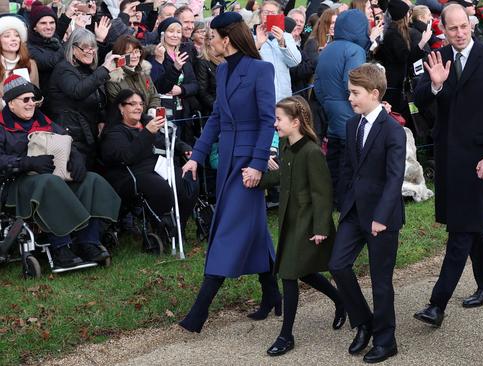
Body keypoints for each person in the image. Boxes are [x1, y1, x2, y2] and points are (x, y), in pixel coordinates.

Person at [178, 12, 280, 333]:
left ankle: (199, 312)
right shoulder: (222, 72)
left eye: (214, 36)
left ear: (228, 38)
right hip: (227, 163)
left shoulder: (261, 69)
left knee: (226, 232)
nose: (210, 41)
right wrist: (197, 156)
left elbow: (267, 121)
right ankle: (273, 295)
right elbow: (217, 119)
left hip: (249, 163)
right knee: (254, 229)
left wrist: (258, 164)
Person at [413, 4, 483, 327]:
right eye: (452, 28)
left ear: (470, 26)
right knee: (469, 225)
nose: (459, 33)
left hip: (479, 161)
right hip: (446, 158)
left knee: (460, 232)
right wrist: (436, 85)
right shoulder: (436, 57)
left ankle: (437, 304)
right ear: (442, 28)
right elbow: (415, 100)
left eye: (463, 27)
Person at [328, 63, 406, 364]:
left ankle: (386, 341)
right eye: (349, 92)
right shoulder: (352, 124)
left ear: (374, 94)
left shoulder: (393, 131)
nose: (350, 98)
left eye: (355, 93)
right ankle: (363, 322)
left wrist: (381, 217)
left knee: (380, 280)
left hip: (382, 217)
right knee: (337, 264)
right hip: (354, 211)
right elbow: (348, 168)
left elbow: (394, 178)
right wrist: (344, 202)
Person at [0, 75, 120, 269]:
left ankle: (88, 242)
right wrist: (27, 163)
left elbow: (64, 139)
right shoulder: (2, 126)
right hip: (16, 182)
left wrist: (76, 157)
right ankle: (60, 246)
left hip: (52, 175)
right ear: (11, 103)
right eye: (26, 99)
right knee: (49, 183)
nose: (32, 104)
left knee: (91, 180)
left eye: (34, 99)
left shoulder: (42, 119)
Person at [258, 96, 345, 356]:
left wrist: (321, 228)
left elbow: (322, 193)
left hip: (307, 221)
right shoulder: (286, 147)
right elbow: (282, 176)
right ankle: (341, 301)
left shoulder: (311, 151)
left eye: (279, 119)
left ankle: (286, 336)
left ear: (295, 121)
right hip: (290, 219)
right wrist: (257, 179)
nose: (275, 124)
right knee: (302, 272)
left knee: (288, 274)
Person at [100, 89, 196, 250]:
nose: (138, 107)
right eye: (133, 104)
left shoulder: (147, 121)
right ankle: (162, 229)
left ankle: (179, 228)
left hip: (157, 167)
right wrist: (146, 133)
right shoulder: (114, 132)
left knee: (187, 180)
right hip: (131, 174)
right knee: (161, 188)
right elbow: (126, 157)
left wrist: (184, 147)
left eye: (141, 104)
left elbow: (168, 138)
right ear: (121, 108)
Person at [313, 9, 369, 208]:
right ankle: (346, 200)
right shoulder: (355, 50)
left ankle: (332, 197)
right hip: (348, 113)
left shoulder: (328, 48)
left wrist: (328, 102)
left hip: (330, 109)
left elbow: (317, 83)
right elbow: (353, 83)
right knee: (348, 159)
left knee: (333, 158)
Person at [47, 28, 121, 167]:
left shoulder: (89, 69)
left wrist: (101, 119)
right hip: (71, 135)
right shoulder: (64, 69)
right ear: (73, 49)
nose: (90, 51)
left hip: (88, 133)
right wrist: (104, 69)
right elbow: (78, 91)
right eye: (84, 47)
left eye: (92, 47)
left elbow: (98, 99)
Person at [377, 0, 431, 125]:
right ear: (404, 15)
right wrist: (422, 43)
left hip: (396, 84)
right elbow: (404, 59)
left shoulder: (395, 32)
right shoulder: (393, 34)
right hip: (393, 87)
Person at [255, 0, 302, 102]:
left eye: (273, 13)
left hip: (284, 98)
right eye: (266, 13)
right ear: (260, 15)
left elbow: (295, 62)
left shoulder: (286, 36)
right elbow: (247, 65)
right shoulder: (252, 38)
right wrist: (258, 44)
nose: (269, 16)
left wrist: (282, 42)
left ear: (280, 16)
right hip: (261, 98)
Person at [106, 35, 161, 112]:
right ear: (120, 55)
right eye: (130, 53)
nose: (135, 56)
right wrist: (146, 120)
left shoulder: (144, 72)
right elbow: (121, 109)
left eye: (137, 51)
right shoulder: (113, 78)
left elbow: (154, 95)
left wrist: (152, 110)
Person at [0, 15, 39, 100]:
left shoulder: (30, 64)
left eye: (17, 35)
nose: (13, 39)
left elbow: (36, 96)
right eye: (7, 36)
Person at [195, 27, 223, 116]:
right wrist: (219, 107)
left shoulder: (227, 58)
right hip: (214, 112)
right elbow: (202, 92)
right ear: (207, 41)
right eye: (212, 37)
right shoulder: (203, 62)